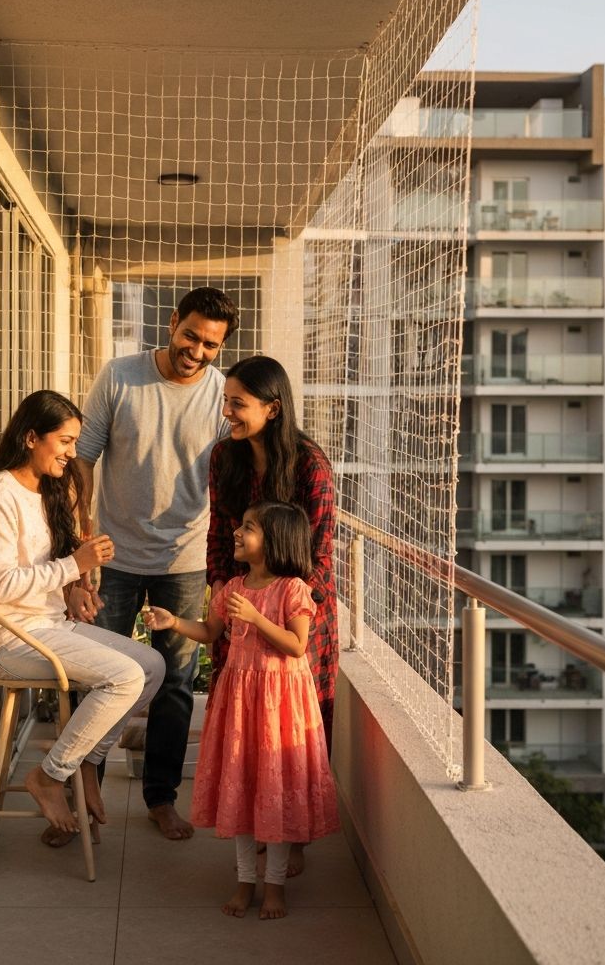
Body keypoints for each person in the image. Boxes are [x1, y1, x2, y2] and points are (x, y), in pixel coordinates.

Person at [76, 287, 239, 840]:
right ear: (173, 323)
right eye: (191, 334)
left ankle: (161, 797)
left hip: (186, 560)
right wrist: (83, 540)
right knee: (96, 677)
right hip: (114, 554)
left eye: (211, 343)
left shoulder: (222, 396)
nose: (197, 349)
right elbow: (83, 459)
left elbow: (233, 477)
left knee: (175, 680)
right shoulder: (120, 375)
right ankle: (81, 795)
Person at [0, 390, 165, 840]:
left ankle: (85, 766)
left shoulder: (46, 490)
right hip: (12, 640)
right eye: (64, 441)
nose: (72, 453)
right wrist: (74, 565)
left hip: (48, 625)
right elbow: (1, 586)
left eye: (75, 442)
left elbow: (44, 571)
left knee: (152, 665)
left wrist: (73, 587)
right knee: (124, 677)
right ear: (30, 437)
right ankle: (52, 774)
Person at [145, 502, 338, 920]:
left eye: (248, 528)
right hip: (241, 700)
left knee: (275, 788)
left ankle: (275, 887)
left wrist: (255, 618)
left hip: (281, 703)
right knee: (244, 785)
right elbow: (210, 632)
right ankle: (245, 881)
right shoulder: (232, 587)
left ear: (275, 542)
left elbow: (296, 645)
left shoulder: (293, 589)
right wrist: (173, 622)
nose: (237, 532)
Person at [207, 354, 337, 876]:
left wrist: (281, 606)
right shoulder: (224, 458)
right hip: (239, 609)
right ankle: (257, 824)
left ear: (273, 408)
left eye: (237, 404)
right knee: (246, 729)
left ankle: (294, 837)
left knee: (297, 733)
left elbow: (323, 556)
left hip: (296, 618)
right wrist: (221, 589)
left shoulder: (311, 465)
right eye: (227, 401)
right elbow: (219, 533)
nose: (228, 413)